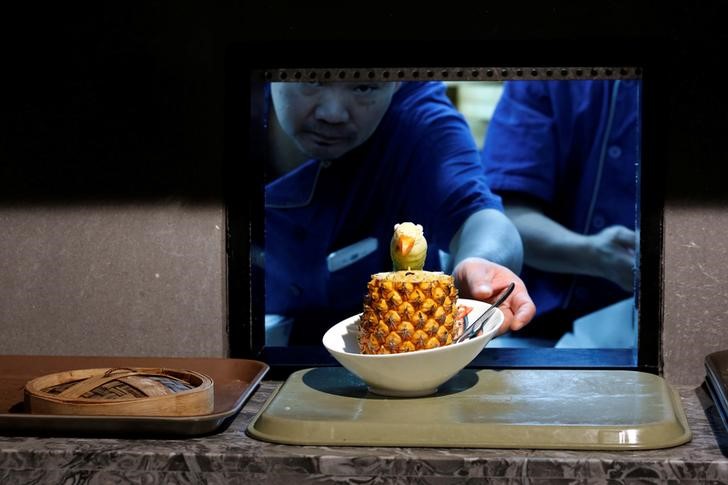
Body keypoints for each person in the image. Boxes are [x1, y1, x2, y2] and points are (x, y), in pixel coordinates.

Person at [262, 80, 536, 345]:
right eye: (312, 79)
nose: (333, 114)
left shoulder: (417, 122)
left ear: (397, 82)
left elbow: (481, 217)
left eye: (364, 86)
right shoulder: (227, 97)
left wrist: (481, 261)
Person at [481, 79, 639, 343]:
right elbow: (505, 216)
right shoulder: (544, 78)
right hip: (535, 327)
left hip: (656, 333)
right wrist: (595, 255)